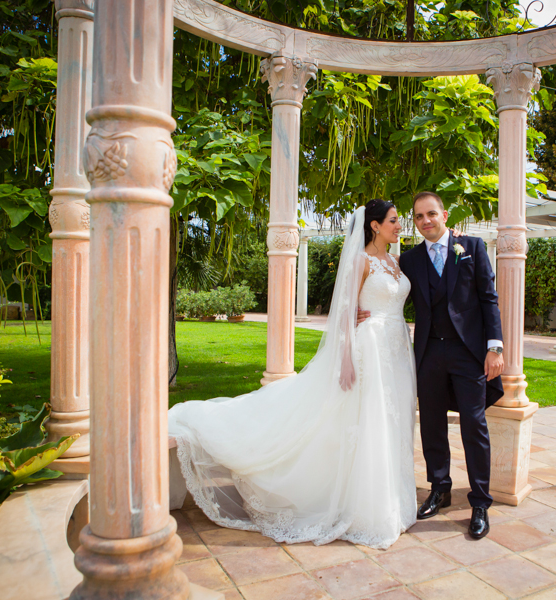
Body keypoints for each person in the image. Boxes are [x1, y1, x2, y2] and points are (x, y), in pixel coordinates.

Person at [168, 200, 417, 550]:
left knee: (390, 422)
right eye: (393, 220)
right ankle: (361, 508)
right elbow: (344, 311)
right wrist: (345, 359)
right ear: (374, 225)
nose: (399, 225)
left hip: (395, 350)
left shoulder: (394, 259)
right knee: (366, 421)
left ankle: (389, 501)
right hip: (368, 350)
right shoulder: (361, 260)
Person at [361, 191, 504, 540]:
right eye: (419, 216)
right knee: (432, 427)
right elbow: (371, 277)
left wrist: (495, 347)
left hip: (468, 353)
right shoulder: (406, 260)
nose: (425, 221)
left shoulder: (471, 246)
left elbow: (488, 298)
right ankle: (439, 489)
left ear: (444, 216)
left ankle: (480, 502)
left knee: (474, 425)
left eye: (431, 214)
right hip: (426, 354)